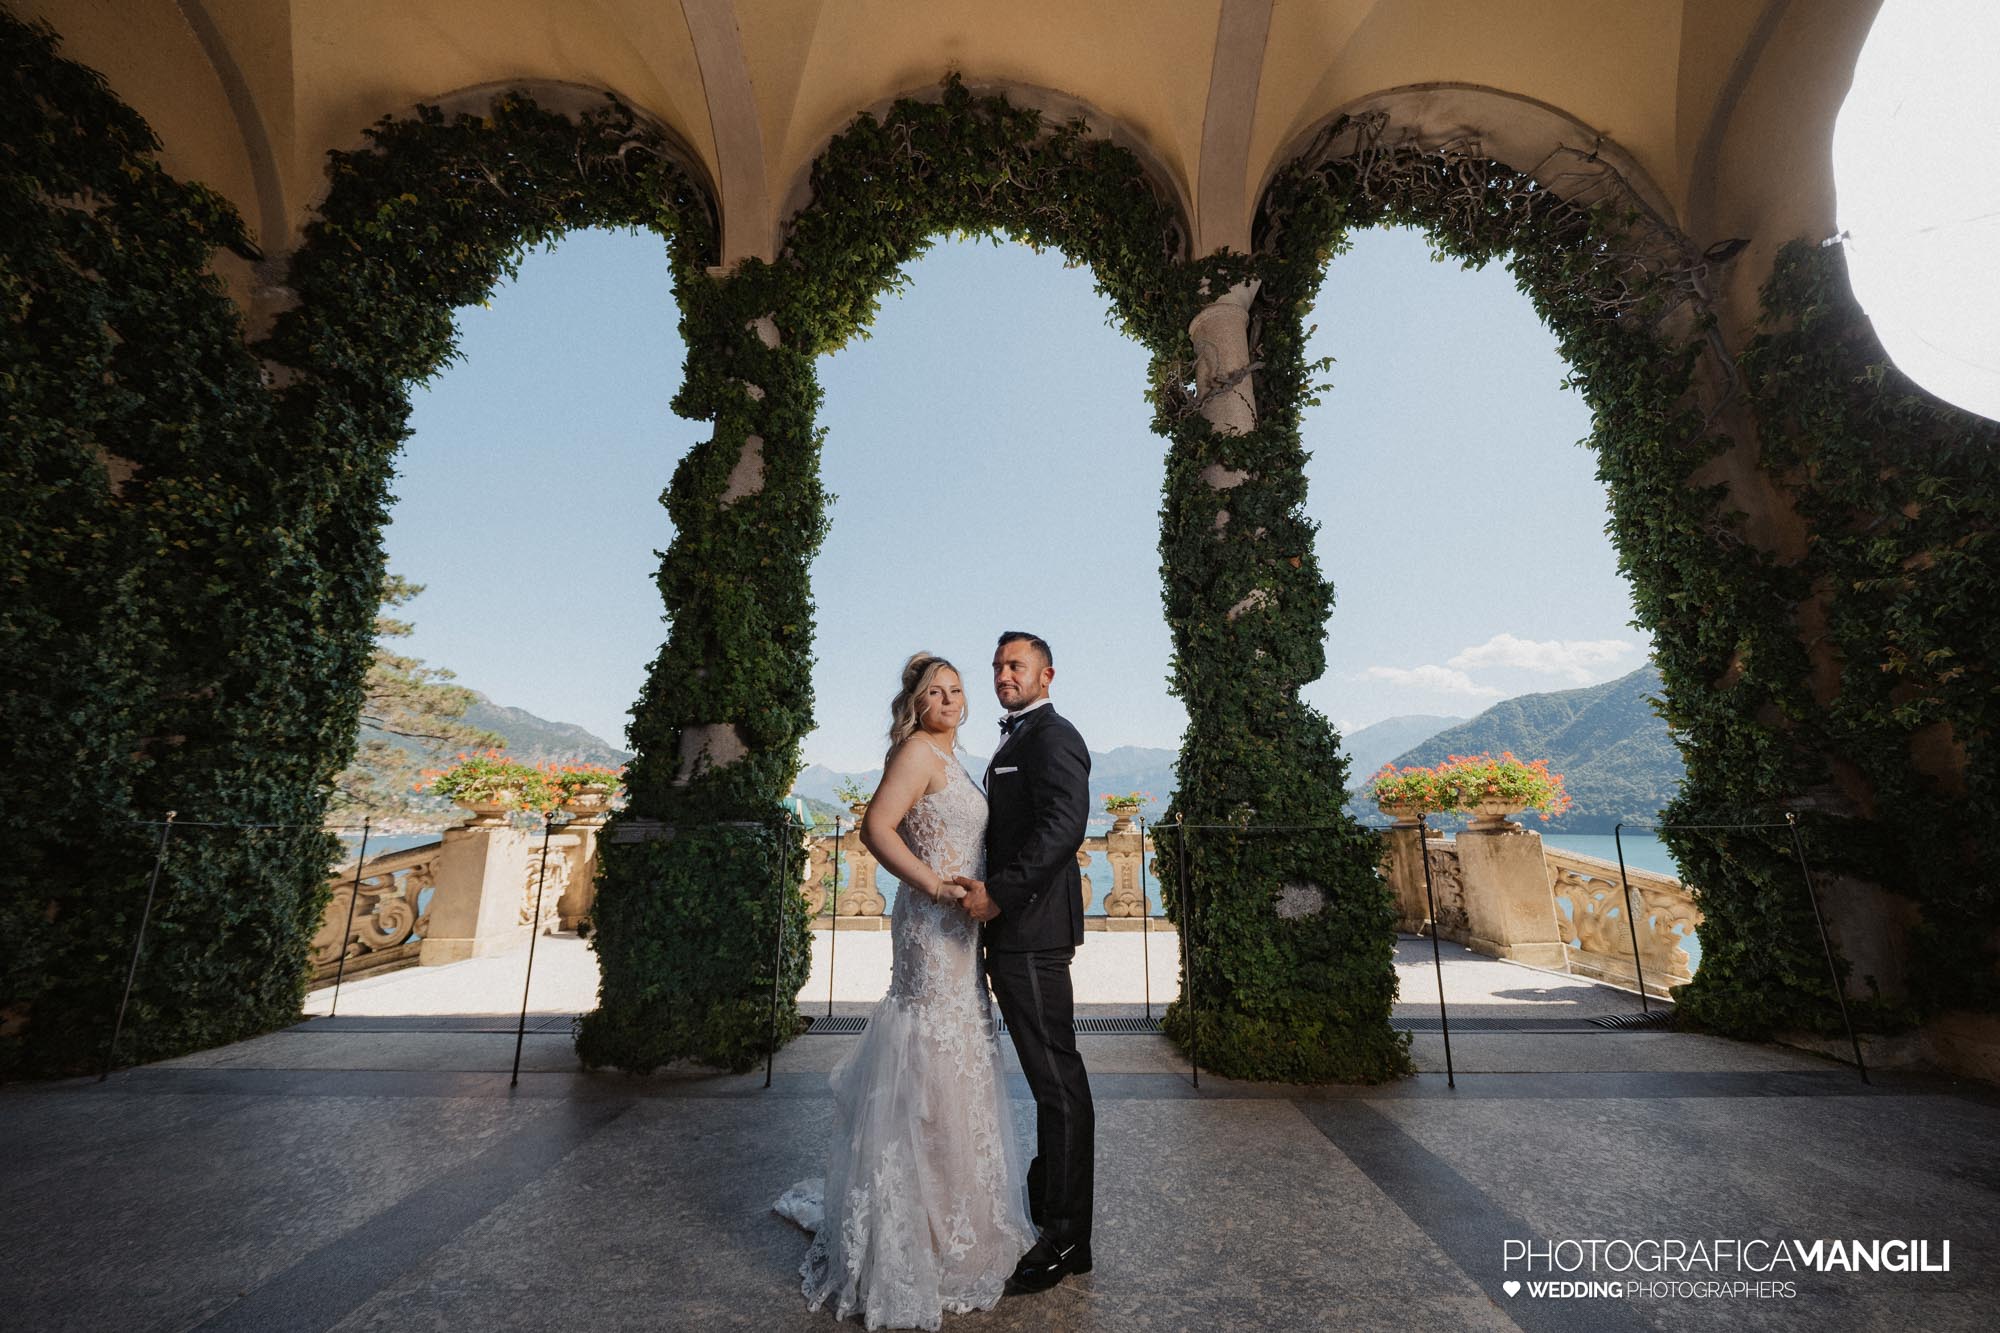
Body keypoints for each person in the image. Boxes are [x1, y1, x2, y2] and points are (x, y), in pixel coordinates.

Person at [774, 653, 1034, 1330]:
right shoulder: (917, 752)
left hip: (961, 930)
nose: (949, 700)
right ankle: (916, 1227)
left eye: (956, 690)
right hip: (930, 925)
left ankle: (955, 1214)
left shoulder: (956, 758)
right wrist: (933, 884)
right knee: (930, 1057)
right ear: (915, 705)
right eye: (934, 692)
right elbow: (875, 828)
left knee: (958, 1057)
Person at [950, 630, 1095, 1295]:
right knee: (1048, 1080)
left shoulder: (1053, 736)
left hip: (1032, 933)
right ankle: (1051, 1205)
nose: (1004, 674)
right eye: (998, 666)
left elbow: (1064, 827)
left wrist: (999, 895)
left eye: (1017, 665)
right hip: (1015, 934)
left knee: (1057, 1082)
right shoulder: (1017, 739)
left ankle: (1065, 1238)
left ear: (1046, 675)